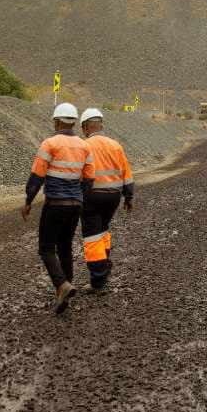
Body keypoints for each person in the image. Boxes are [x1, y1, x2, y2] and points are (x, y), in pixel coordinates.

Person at [21, 102, 95, 314]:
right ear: (74, 122)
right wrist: (78, 195)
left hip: (55, 204)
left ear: (56, 122)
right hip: (75, 205)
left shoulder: (50, 144)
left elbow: (37, 176)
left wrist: (28, 201)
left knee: (46, 248)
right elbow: (89, 179)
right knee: (65, 247)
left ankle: (62, 285)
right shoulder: (85, 147)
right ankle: (65, 292)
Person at [78, 108, 135, 294]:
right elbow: (127, 173)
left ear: (86, 127)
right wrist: (129, 197)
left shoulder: (84, 145)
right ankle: (105, 266)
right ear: (101, 125)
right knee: (102, 231)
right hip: (113, 197)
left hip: (92, 197)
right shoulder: (115, 145)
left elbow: (78, 174)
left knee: (92, 237)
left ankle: (98, 281)